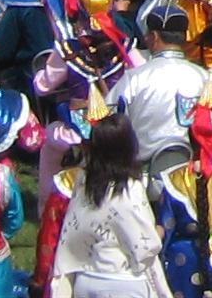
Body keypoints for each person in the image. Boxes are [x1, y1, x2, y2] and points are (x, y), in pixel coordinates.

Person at [54, 117, 165, 298]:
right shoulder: (131, 188)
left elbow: (74, 231)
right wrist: (158, 232)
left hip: (86, 281)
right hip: (125, 283)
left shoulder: (83, 182)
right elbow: (144, 246)